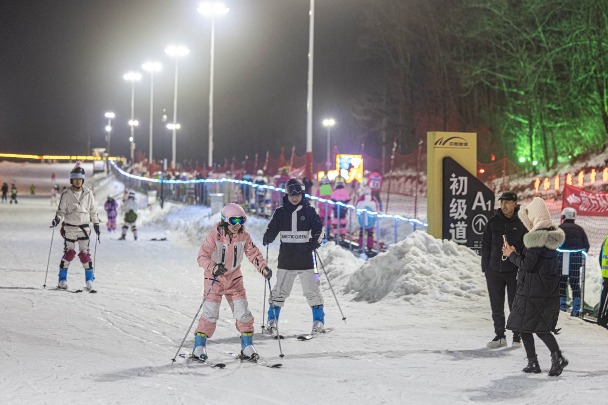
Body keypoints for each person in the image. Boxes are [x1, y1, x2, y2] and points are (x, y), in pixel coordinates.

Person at [192, 203, 272, 362]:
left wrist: (262, 268)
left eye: (241, 220)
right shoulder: (214, 235)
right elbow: (202, 257)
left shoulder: (244, 236)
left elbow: (253, 253)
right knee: (211, 312)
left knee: (243, 311)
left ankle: (247, 345)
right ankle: (199, 346)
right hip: (214, 279)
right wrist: (213, 267)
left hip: (234, 279)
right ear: (225, 220)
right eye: (234, 221)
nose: (238, 225)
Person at [503, 197, 568, 376]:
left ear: (536, 218)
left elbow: (528, 265)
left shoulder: (535, 239)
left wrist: (511, 254)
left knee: (534, 327)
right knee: (529, 326)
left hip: (532, 291)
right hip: (545, 290)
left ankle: (554, 358)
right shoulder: (550, 237)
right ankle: (536, 362)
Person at [263, 178, 325, 335]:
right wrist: (269, 236)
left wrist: (315, 241)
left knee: (312, 290)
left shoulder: (309, 212)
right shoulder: (281, 212)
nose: (295, 197)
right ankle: (272, 320)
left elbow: (319, 230)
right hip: (287, 259)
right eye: (292, 194)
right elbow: (273, 228)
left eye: (298, 194)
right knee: (280, 291)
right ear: (287, 194)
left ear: (303, 194)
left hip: (307, 258)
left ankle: (318, 321)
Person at [481, 191, 528, 349]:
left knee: (515, 304)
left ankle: (517, 336)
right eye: (502, 202)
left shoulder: (522, 222)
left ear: (515, 203)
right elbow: (485, 244)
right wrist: (485, 267)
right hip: (494, 270)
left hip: (515, 270)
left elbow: (527, 245)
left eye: (507, 202)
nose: (503, 206)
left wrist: (523, 262)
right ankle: (500, 336)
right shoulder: (493, 221)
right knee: (496, 305)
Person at [51, 162, 100, 291]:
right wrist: (57, 219)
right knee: (69, 253)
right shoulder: (66, 194)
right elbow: (61, 211)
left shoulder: (88, 193)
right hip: (70, 228)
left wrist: (96, 223)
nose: (78, 181)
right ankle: (62, 279)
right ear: (72, 180)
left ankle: (89, 280)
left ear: (83, 180)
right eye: (76, 179)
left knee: (85, 255)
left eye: (80, 179)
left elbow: (93, 210)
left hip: (84, 228)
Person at [556, 207, 590, 316]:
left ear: (564, 216)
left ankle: (561, 307)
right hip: (575, 260)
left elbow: (553, 245)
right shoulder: (580, 229)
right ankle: (576, 308)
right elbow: (586, 246)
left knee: (561, 283)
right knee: (575, 284)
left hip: (561, 260)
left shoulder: (559, 228)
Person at [355, 187, 379, 255]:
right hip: (371, 220)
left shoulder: (360, 200)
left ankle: (361, 246)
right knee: (370, 234)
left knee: (362, 233)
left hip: (362, 219)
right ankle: (370, 247)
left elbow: (357, 209)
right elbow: (376, 210)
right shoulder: (373, 200)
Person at [598, 236, 608, 328]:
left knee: (604, 298)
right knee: (605, 299)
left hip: (606, 274)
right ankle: (602, 320)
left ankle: (601, 319)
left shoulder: (605, 239)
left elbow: (600, 258)